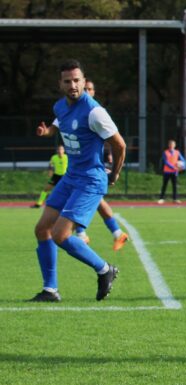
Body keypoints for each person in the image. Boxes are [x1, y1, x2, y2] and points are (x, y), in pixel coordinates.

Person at [31, 59, 126, 302]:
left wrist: (114, 173)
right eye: (67, 81)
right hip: (71, 178)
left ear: (84, 81)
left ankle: (105, 269)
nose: (73, 85)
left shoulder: (94, 112)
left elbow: (120, 144)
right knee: (42, 229)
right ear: (60, 84)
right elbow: (57, 124)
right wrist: (47, 132)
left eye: (77, 80)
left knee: (60, 235)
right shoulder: (60, 107)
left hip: (90, 180)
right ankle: (50, 290)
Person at [74, 79, 129, 251]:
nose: (88, 91)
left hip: (95, 166)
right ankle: (116, 233)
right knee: (96, 201)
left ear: (93, 91)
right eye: (86, 88)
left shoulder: (95, 111)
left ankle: (81, 234)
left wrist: (110, 161)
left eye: (91, 88)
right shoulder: (74, 108)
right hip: (80, 165)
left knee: (82, 198)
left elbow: (111, 139)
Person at [158, 139, 185, 204]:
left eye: (172, 144)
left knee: (174, 185)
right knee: (164, 185)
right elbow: (165, 162)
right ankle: (161, 198)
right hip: (167, 171)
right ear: (168, 145)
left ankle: (175, 199)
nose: (171, 146)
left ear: (175, 145)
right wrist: (173, 167)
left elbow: (183, 160)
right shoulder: (165, 152)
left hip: (174, 172)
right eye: (170, 144)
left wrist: (183, 166)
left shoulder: (177, 152)